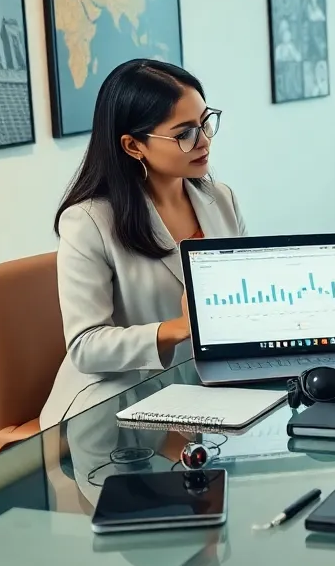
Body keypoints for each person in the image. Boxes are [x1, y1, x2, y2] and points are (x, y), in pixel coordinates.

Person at [39, 60, 245, 428]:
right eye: (184, 133)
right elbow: (85, 347)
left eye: (205, 123)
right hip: (116, 405)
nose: (204, 141)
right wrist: (182, 327)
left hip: (205, 386)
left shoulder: (221, 199)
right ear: (133, 145)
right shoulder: (89, 221)